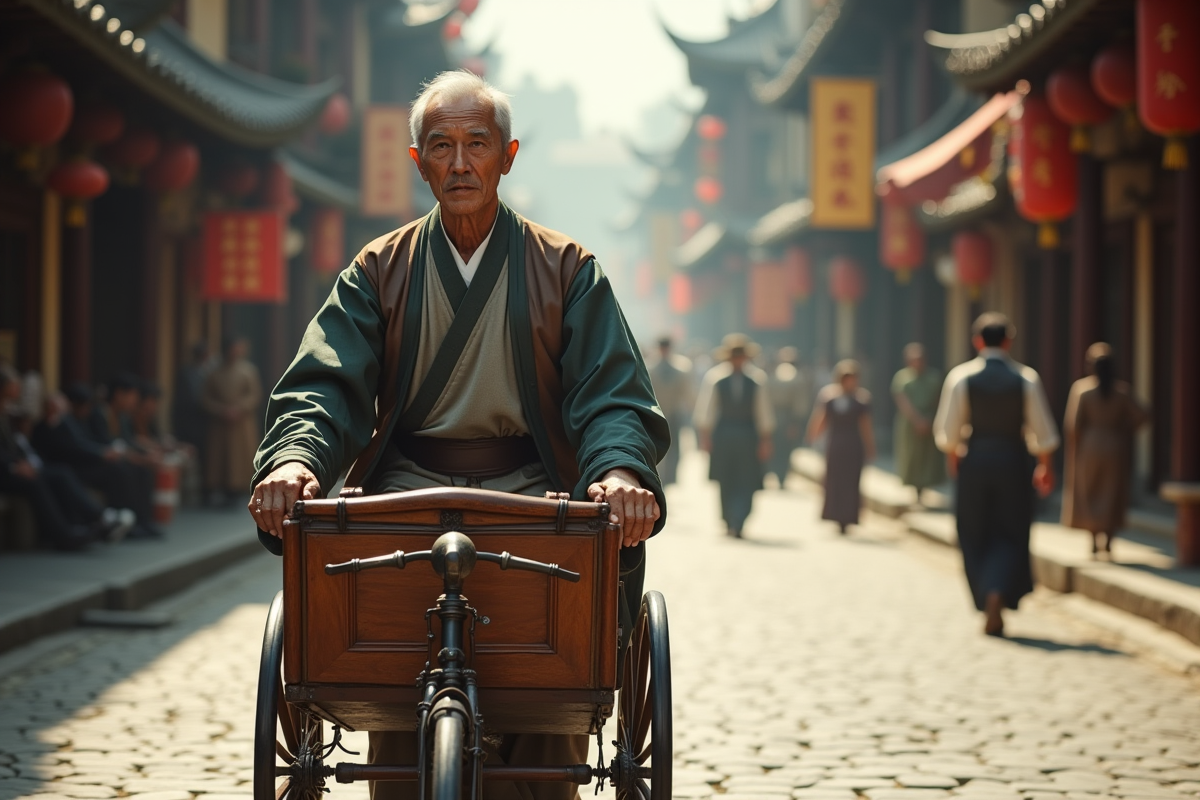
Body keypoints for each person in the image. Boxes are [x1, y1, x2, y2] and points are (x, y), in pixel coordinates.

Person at [246, 70, 668, 800]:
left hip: (530, 493)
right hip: (409, 489)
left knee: (553, 675)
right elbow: (325, 385)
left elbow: (610, 395)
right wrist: (294, 460)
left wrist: (620, 472)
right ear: (418, 161)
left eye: (478, 144)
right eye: (441, 146)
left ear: (508, 155)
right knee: (388, 667)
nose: (461, 163)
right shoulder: (377, 271)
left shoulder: (567, 271)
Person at [933, 313, 1059, 637]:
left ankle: (986, 591)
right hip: (1014, 463)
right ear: (1008, 341)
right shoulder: (1025, 378)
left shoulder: (962, 378)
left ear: (977, 341)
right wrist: (1044, 465)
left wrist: (954, 458)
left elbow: (948, 432)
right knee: (1011, 531)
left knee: (973, 530)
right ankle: (999, 589)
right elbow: (1042, 430)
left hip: (975, 461)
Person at [0, 367, 130, 549]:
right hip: (5, 471)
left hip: (19, 465)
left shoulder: (8, 414)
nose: (11, 402)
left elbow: (14, 446)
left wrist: (22, 460)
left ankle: (99, 518)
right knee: (35, 481)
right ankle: (63, 535)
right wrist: (14, 465)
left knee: (60, 474)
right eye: (8, 396)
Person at [33, 387, 158, 538]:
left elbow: (87, 441)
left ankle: (141, 520)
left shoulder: (74, 420)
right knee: (118, 471)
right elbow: (75, 446)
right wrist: (102, 453)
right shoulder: (53, 424)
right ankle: (113, 520)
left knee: (133, 469)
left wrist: (106, 452)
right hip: (73, 467)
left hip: (84, 464)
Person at [1061, 342, 1148, 558]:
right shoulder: (1122, 391)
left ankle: (1092, 538)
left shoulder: (1082, 390)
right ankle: (1108, 539)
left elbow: (1073, 425)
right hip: (1115, 446)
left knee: (1090, 491)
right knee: (1111, 493)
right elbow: (1142, 416)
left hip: (1090, 445)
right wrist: (1124, 430)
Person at [694, 333, 774, 539]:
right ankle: (729, 517)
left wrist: (765, 439)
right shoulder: (716, 378)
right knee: (726, 478)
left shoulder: (756, 380)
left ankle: (740, 517)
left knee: (747, 478)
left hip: (748, 434)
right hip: (724, 433)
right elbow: (707, 410)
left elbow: (763, 412)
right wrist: (705, 436)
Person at [806, 359, 875, 534]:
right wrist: (812, 437)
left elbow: (865, 426)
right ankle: (835, 514)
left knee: (851, 481)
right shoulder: (829, 396)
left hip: (853, 445)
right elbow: (820, 420)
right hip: (835, 444)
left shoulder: (861, 399)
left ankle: (849, 517)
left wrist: (870, 447)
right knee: (834, 480)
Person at [203, 337, 262, 506]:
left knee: (239, 457)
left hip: (241, 423)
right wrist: (220, 410)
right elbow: (205, 398)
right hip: (219, 422)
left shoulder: (248, 371)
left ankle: (237, 489)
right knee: (218, 457)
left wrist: (239, 408)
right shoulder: (214, 372)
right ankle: (216, 488)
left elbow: (254, 395)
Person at [891, 343, 946, 502]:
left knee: (928, 457)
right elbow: (902, 401)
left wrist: (930, 419)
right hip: (910, 423)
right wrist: (917, 420)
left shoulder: (934, 377)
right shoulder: (902, 378)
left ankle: (926, 486)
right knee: (912, 455)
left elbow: (938, 400)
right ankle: (916, 489)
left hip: (929, 420)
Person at [647, 336, 694, 485]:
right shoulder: (649, 367)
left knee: (674, 448)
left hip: (674, 413)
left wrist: (691, 410)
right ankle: (658, 475)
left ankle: (670, 477)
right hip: (655, 412)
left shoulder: (681, 368)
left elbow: (688, 392)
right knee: (655, 446)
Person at [767, 346, 811, 485]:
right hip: (786, 417)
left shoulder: (773, 376)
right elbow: (800, 404)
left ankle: (777, 473)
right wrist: (797, 422)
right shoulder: (797, 377)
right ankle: (780, 475)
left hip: (779, 416)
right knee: (784, 448)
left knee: (778, 447)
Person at [173, 341, 212, 475]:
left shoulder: (209, 371)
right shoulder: (187, 373)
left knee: (206, 454)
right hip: (190, 419)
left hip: (206, 419)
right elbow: (189, 398)